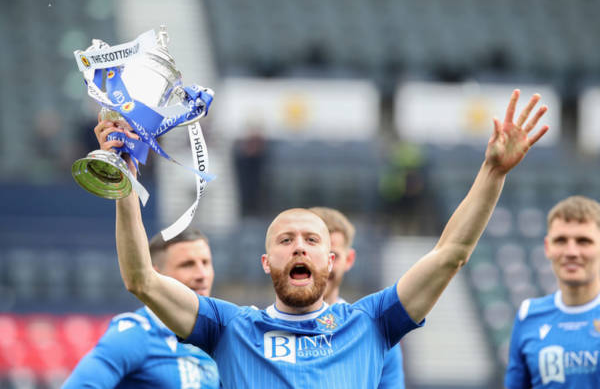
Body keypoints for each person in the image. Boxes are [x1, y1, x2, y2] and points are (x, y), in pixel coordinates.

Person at [95, 89, 547, 388]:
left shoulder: (371, 322)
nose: (298, 246)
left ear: (332, 260)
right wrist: (124, 181)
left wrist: (491, 172)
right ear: (265, 262)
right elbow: (141, 279)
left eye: (311, 240)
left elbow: (451, 254)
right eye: (285, 239)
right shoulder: (229, 327)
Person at [62, 228, 220, 389]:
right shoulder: (134, 335)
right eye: (187, 265)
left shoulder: (216, 338)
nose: (202, 274)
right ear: (157, 275)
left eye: (206, 263)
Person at [505, 196, 600, 388]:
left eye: (583, 241)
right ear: (548, 247)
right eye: (561, 241)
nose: (571, 252)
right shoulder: (528, 314)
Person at [309, 206, 406, 388]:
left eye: (333, 256)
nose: (323, 267)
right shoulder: (263, 329)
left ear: (349, 259)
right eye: (315, 255)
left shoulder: (374, 334)